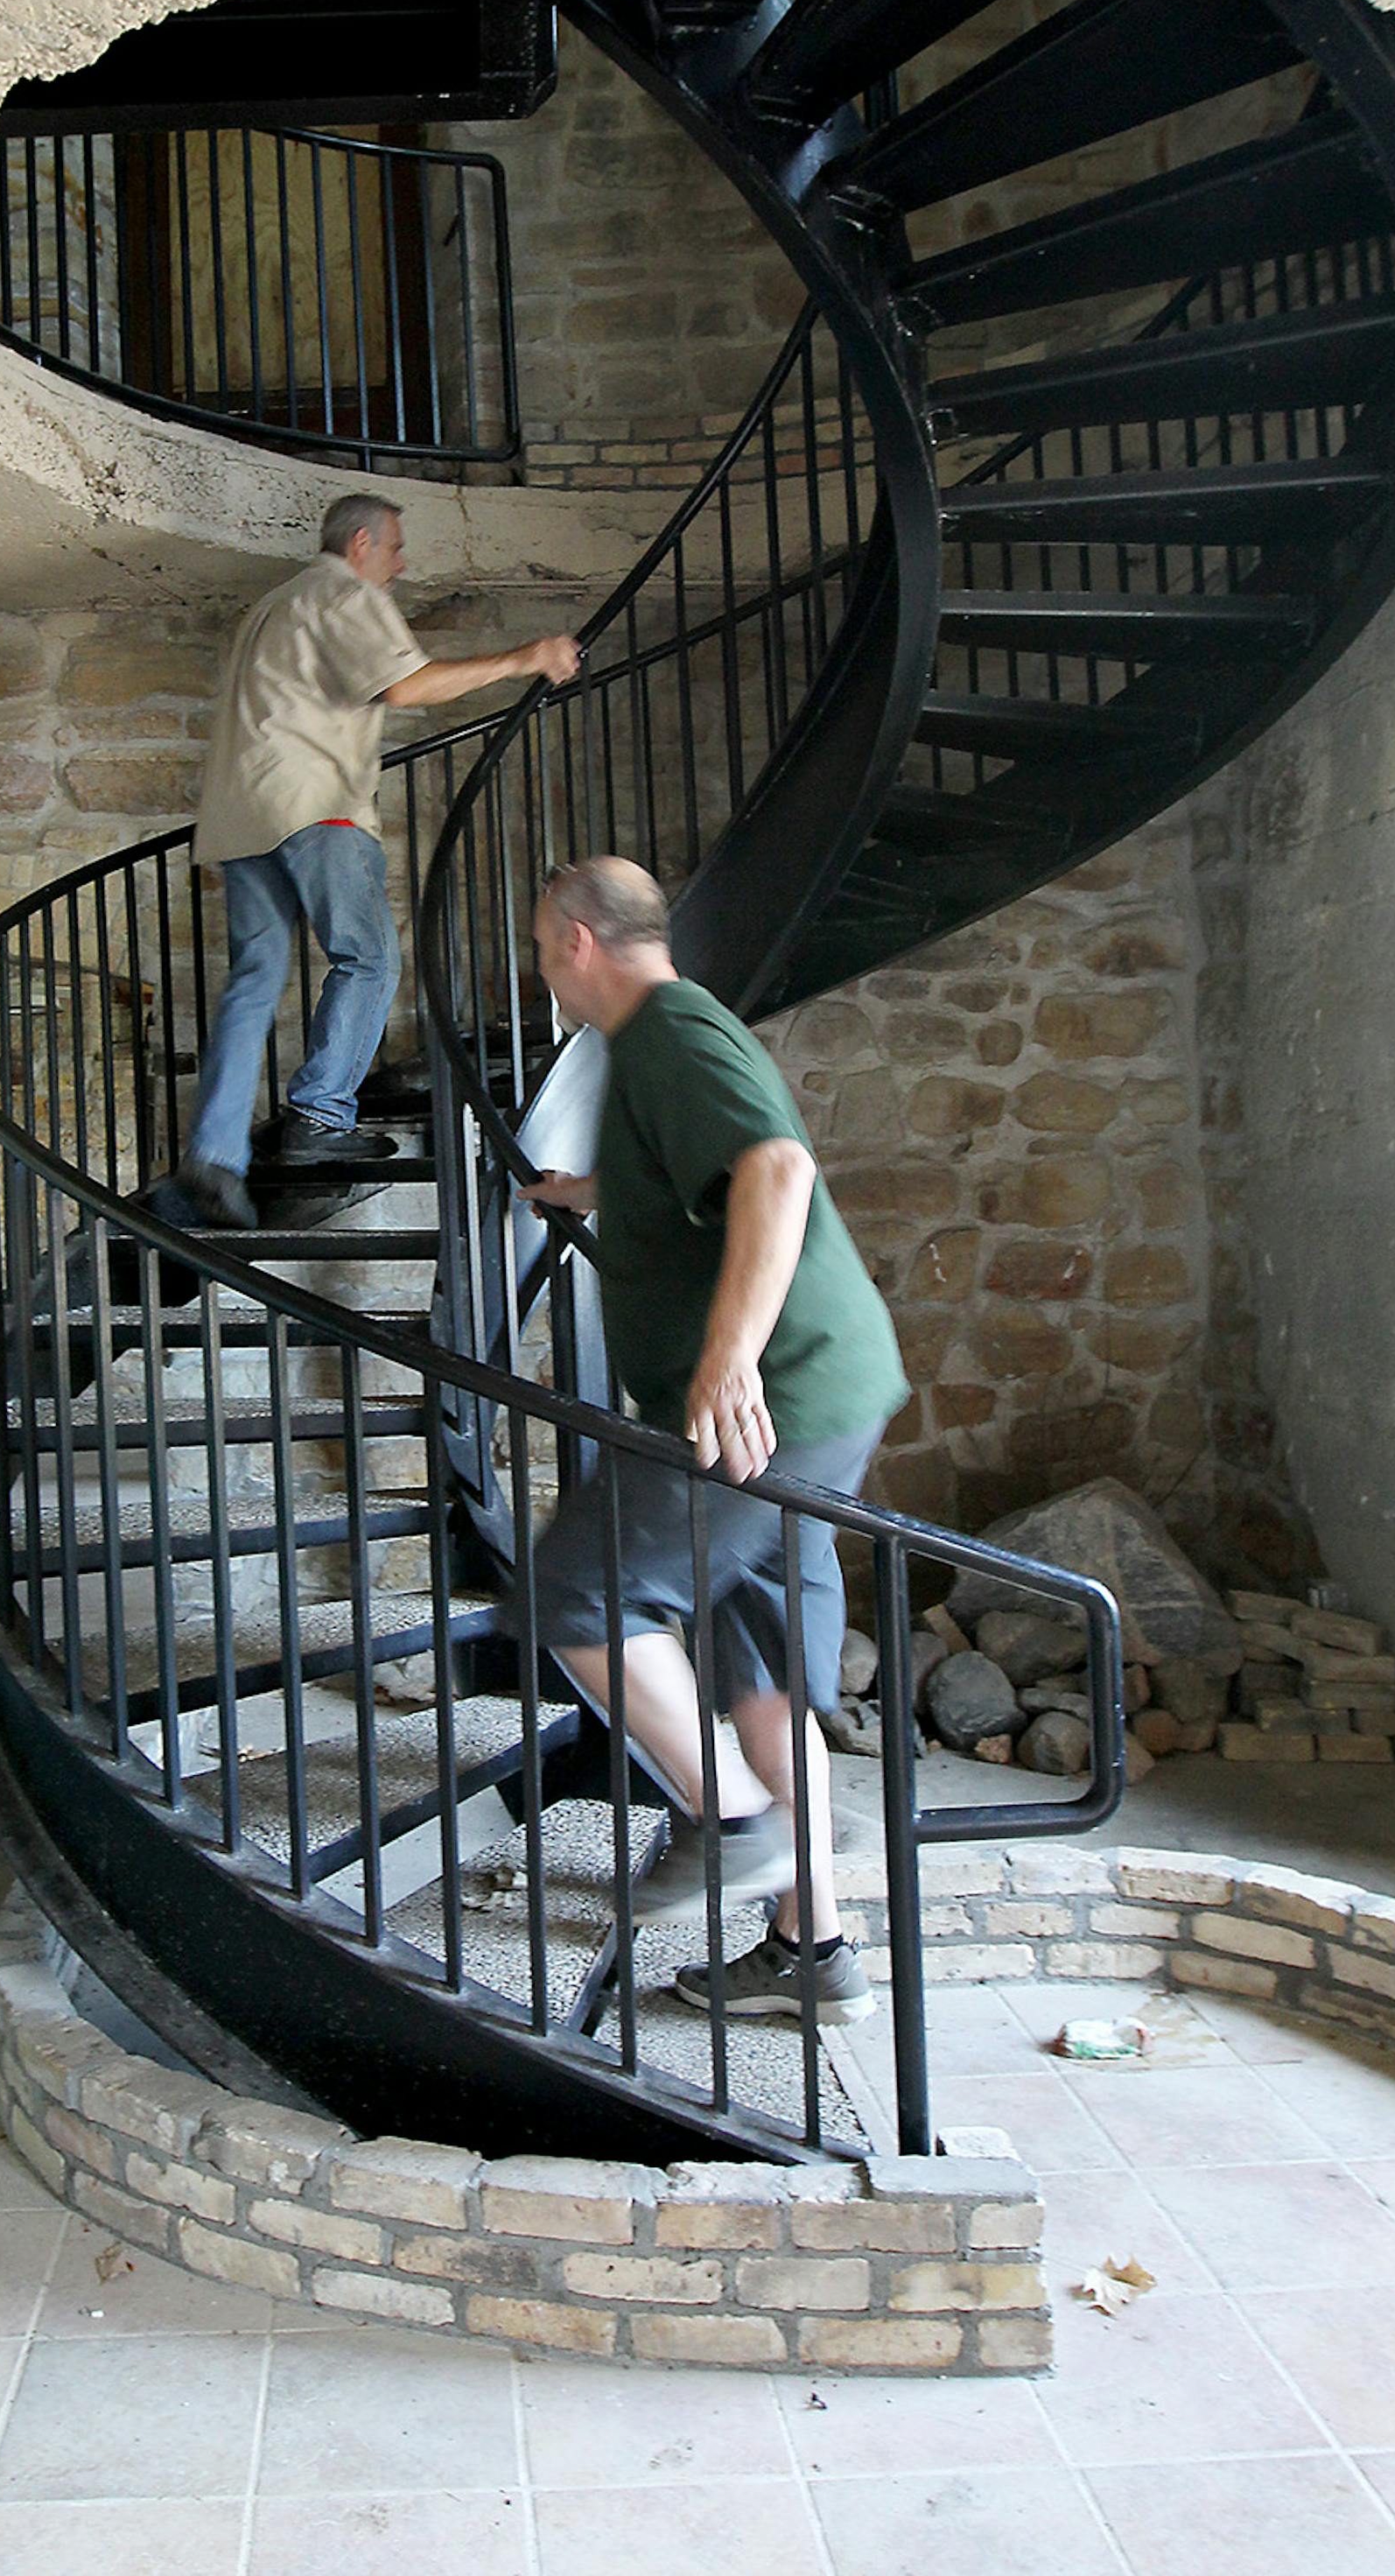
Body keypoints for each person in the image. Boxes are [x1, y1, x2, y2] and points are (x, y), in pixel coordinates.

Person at [518, 855, 908, 2025]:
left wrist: (728, 1354)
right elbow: (684, 1182)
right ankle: (812, 1947)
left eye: (543, 948)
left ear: (579, 940)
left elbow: (775, 1172)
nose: (540, 970)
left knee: (576, 1590)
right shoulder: (655, 1052)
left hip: (769, 1399)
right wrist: (576, 1194)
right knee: (763, 1670)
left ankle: (732, 1820)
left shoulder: (674, 1031)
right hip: (825, 1396)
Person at [166, 493, 581, 1230]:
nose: (402, 562)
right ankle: (320, 1114)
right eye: (395, 548)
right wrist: (527, 659)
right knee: (369, 959)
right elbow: (405, 684)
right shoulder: (342, 592)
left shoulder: (272, 606)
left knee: (257, 977)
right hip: (316, 807)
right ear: (361, 543)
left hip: (240, 817)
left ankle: (214, 1155)